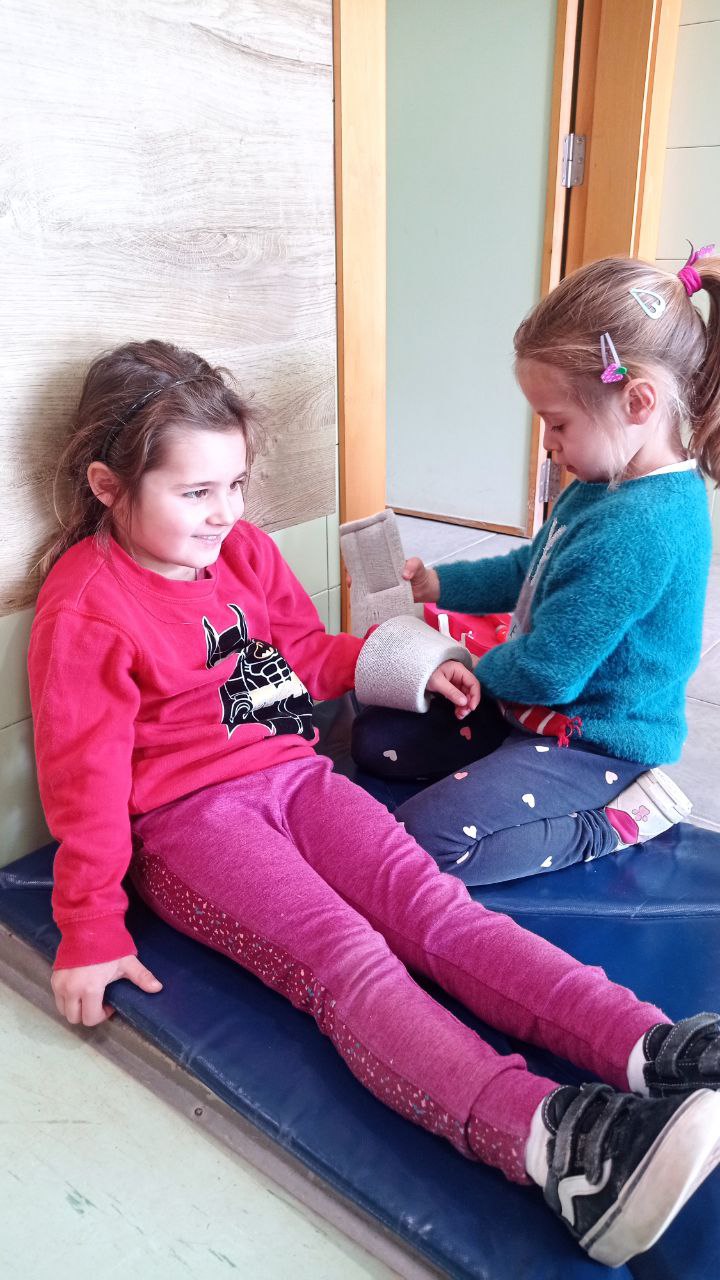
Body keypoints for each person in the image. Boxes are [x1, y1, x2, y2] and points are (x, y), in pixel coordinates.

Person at [29, 339, 720, 1268]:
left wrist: (408, 665)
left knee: (438, 910)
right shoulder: (86, 606)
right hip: (191, 823)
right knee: (348, 956)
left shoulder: (241, 550)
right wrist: (89, 927)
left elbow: (301, 655)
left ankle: (648, 1045)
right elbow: (83, 783)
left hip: (296, 777)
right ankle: (552, 1143)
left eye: (235, 485)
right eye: (195, 493)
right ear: (109, 486)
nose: (225, 513)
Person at [352, 249, 718, 886]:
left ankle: (616, 820)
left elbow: (549, 671)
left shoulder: (641, 528)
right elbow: (533, 564)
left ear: (638, 402)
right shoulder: (605, 483)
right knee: (376, 742)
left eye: (558, 423)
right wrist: (442, 584)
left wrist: (470, 668)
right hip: (526, 710)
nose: (548, 442)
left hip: (593, 742)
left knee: (421, 848)